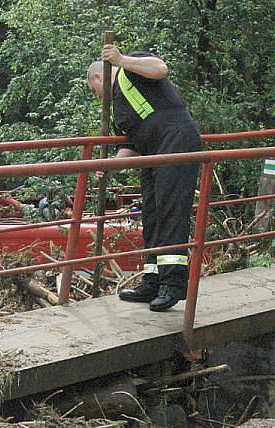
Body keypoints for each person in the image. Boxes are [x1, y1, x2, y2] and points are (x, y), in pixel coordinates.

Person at [87, 46, 202, 311]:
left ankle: (172, 286)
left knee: (170, 212)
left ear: (98, 78)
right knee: (152, 214)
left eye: (96, 93)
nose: (98, 98)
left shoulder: (131, 69)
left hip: (176, 143)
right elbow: (130, 145)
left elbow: (160, 68)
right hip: (151, 154)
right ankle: (152, 280)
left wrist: (120, 60)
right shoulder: (119, 109)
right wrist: (111, 167)